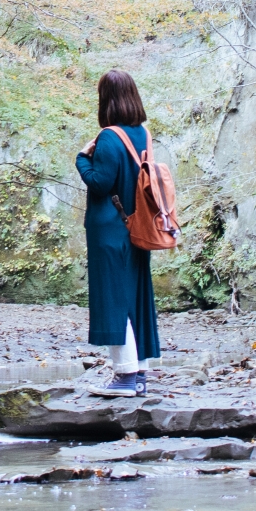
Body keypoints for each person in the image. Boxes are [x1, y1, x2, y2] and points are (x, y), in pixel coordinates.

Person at [75, 69, 161, 397]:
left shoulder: (110, 137)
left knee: (113, 299)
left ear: (106, 99)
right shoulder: (143, 135)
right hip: (138, 226)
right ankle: (139, 374)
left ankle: (124, 376)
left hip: (111, 229)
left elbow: (99, 182)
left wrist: (82, 159)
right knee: (135, 297)